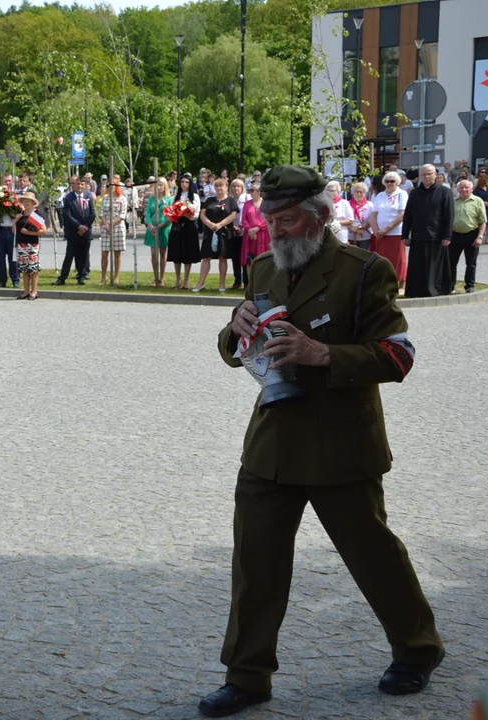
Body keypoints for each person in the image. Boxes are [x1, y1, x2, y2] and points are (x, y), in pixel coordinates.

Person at [201, 164, 444, 718]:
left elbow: (399, 356)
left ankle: (418, 648)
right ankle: (247, 677)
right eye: (271, 219)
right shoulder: (262, 268)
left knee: (373, 554)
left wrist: (324, 354)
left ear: (319, 216)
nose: (277, 231)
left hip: (341, 444)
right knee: (255, 565)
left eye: (287, 220)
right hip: (270, 443)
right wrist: (234, 330)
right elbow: (234, 347)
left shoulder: (365, 272)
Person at [401, 164, 454, 298]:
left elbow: (449, 215)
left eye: (430, 174)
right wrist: (405, 235)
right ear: (420, 176)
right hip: (418, 235)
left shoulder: (444, 192)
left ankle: (432, 291)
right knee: (417, 266)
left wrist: (447, 236)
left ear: (435, 175)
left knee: (432, 267)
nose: (427, 176)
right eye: (424, 174)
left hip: (436, 236)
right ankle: (415, 291)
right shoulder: (414, 193)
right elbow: (408, 215)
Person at [193, 178, 238, 293]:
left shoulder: (231, 200)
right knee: (206, 258)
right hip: (210, 232)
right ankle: (200, 283)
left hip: (224, 232)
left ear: (226, 187)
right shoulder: (209, 200)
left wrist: (220, 224)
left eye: (221, 186)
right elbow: (202, 215)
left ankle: (222, 283)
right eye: (217, 186)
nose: (219, 189)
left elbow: (233, 215)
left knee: (222, 258)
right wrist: (210, 224)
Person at [368, 171, 408, 290]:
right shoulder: (380, 195)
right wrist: (376, 231)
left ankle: (401, 283)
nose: (389, 183)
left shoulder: (402, 194)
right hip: (381, 234)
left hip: (396, 232)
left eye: (392, 181)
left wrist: (386, 229)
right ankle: (385, 283)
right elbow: (373, 215)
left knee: (399, 259)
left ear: (397, 182)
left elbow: (402, 214)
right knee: (383, 259)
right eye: (387, 181)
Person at [448, 179, 486, 293]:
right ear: (457, 189)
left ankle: (470, 285)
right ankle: (450, 286)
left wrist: (480, 237)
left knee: (471, 263)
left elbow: (483, 221)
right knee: (451, 262)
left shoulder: (478, 201)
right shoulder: (453, 201)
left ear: (471, 189)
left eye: (466, 187)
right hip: (454, 235)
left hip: (472, 235)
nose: (464, 189)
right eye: (461, 188)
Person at [56, 176, 95, 286]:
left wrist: (85, 227)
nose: (79, 186)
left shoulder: (89, 196)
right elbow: (67, 215)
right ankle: (62, 278)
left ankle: (81, 276)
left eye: (82, 184)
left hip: (86, 231)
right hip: (73, 232)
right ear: (75, 184)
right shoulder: (69, 197)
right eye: (77, 184)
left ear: (85, 185)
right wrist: (79, 226)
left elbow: (93, 214)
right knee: (69, 255)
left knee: (83, 255)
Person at [168, 174, 201, 290]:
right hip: (177, 225)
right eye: (182, 182)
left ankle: (186, 280)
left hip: (189, 225)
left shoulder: (195, 196)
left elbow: (196, 214)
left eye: (187, 182)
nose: (184, 184)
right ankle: (178, 279)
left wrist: (188, 213)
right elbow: (171, 211)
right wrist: (174, 214)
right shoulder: (176, 196)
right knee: (176, 254)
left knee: (188, 254)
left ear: (190, 183)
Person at [0, 173, 20, 288]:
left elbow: (20, 211)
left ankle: (15, 279)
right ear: (2, 182)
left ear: (12, 182)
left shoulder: (16, 195)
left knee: (13, 257)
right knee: (0, 257)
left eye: (9, 181)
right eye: (5, 181)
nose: (7, 183)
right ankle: (2, 280)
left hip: (11, 230)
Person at [99, 174, 128, 285]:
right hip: (106, 228)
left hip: (118, 227)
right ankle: (103, 277)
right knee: (104, 253)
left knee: (117, 253)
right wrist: (106, 225)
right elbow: (101, 213)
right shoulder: (105, 198)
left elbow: (122, 215)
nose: (110, 187)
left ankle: (116, 276)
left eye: (113, 185)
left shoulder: (122, 199)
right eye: (108, 185)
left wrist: (112, 224)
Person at [14, 191, 43, 299]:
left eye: (28, 200)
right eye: (24, 200)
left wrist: (29, 232)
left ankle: (34, 291)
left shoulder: (36, 215)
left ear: (32, 202)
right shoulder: (21, 214)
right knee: (25, 269)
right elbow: (14, 230)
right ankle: (26, 291)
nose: (26, 202)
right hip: (21, 244)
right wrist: (15, 220)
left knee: (33, 269)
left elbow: (43, 230)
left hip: (32, 244)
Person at [145, 177, 173, 287]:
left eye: (162, 185)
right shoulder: (152, 198)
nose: (160, 187)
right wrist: (150, 226)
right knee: (153, 254)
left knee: (162, 253)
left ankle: (162, 277)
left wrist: (160, 226)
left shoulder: (170, 199)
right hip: (152, 229)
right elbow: (147, 213)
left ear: (165, 186)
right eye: (158, 185)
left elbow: (170, 216)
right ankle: (155, 277)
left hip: (163, 229)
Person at [240, 181, 270, 277]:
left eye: (252, 190)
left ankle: (262, 283)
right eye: (250, 190)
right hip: (249, 235)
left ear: (259, 191)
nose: (250, 192)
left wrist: (257, 228)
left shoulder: (266, 203)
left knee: (263, 258)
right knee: (249, 259)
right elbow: (244, 219)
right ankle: (251, 284)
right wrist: (250, 230)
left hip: (263, 234)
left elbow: (268, 218)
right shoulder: (247, 204)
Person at [230, 178, 251, 289]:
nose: (236, 188)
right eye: (234, 186)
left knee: (245, 258)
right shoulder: (230, 199)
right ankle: (237, 281)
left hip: (244, 232)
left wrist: (241, 226)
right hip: (233, 232)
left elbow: (249, 214)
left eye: (238, 186)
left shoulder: (247, 199)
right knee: (235, 258)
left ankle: (247, 282)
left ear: (242, 188)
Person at [327, 180, 355, 244]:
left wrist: (337, 222)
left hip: (341, 236)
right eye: (328, 191)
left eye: (332, 191)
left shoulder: (344, 203)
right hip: (327, 235)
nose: (330, 193)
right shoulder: (325, 203)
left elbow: (351, 220)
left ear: (338, 191)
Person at [349, 182, 374, 250]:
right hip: (349, 236)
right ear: (353, 193)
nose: (358, 194)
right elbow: (345, 219)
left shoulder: (370, 205)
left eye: (361, 192)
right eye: (356, 192)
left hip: (365, 237)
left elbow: (369, 222)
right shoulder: (347, 204)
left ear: (365, 193)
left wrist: (358, 228)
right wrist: (352, 229)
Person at [475, 173, 488, 245]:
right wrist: (484, 203)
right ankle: (480, 236)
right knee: (481, 222)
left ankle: (487, 238)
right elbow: (476, 199)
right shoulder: (477, 190)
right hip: (480, 207)